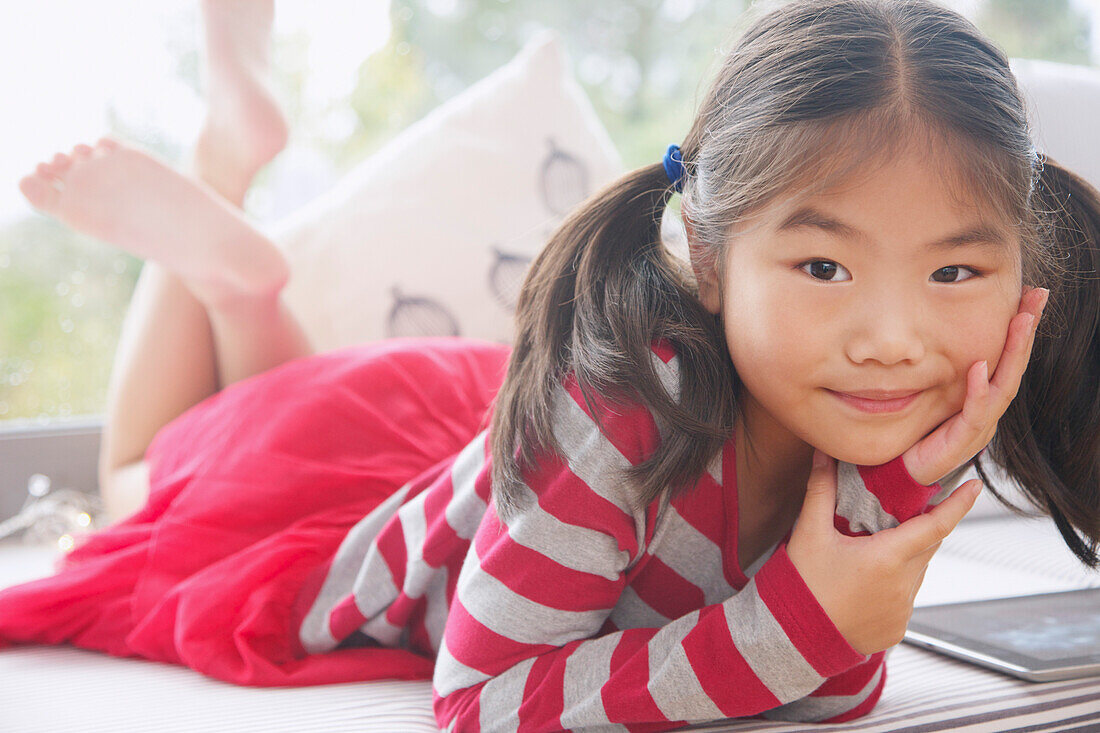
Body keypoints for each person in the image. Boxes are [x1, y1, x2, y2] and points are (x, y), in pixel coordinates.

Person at [3, 0, 1098, 730]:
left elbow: (821, 688)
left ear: (1019, 272)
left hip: (476, 454)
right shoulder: (625, 412)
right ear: (707, 260)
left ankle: (243, 267)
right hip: (401, 472)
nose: (892, 336)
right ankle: (228, 207)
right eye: (821, 264)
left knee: (251, 437)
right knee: (137, 488)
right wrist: (802, 621)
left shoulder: (901, 402)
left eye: (953, 274)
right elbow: (475, 703)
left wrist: (903, 489)